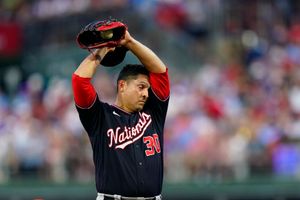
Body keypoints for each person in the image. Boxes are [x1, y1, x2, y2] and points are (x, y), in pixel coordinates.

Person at [72, 30, 170, 200]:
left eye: (147, 88)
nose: (146, 93)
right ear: (122, 86)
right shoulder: (100, 117)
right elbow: (79, 81)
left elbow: (160, 72)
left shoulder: (154, 112)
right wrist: (102, 50)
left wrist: (130, 42)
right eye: (141, 87)